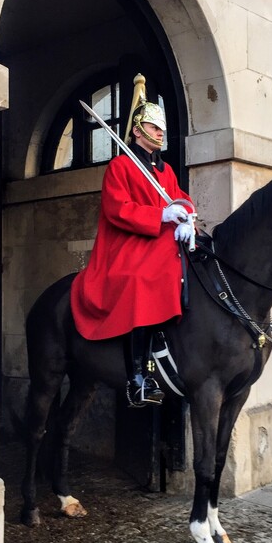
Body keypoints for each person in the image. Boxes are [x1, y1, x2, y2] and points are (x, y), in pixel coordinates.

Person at [71, 75, 195, 407]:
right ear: (137, 131)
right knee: (140, 281)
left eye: (161, 128)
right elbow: (118, 209)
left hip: (162, 243)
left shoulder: (165, 171)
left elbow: (181, 198)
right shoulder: (121, 166)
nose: (161, 133)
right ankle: (138, 377)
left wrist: (187, 217)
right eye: (154, 128)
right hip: (129, 246)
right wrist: (161, 217)